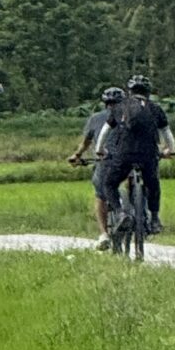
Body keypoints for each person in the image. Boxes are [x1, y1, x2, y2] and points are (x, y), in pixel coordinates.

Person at [98, 75, 174, 237]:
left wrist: (100, 150)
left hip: (124, 155)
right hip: (149, 155)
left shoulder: (120, 107)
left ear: (130, 91)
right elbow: (167, 133)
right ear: (148, 92)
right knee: (153, 185)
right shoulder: (156, 108)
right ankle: (154, 219)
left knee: (110, 184)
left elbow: (105, 130)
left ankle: (120, 213)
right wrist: (171, 150)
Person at [68, 85, 126, 247]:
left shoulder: (95, 118)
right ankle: (136, 206)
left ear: (105, 103)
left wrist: (77, 156)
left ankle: (104, 234)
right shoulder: (129, 116)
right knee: (132, 180)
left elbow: (86, 143)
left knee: (100, 195)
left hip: (105, 161)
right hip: (128, 159)